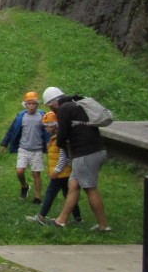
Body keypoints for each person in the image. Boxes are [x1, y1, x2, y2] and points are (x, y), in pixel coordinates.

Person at [43, 86, 111, 231]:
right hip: (96, 150)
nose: (52, 110)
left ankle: (104, 226)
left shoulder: (64, 109)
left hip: (85, 154)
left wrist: (58, 143)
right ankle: (61, 221)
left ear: (54, 102)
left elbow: (62, 135)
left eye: (50, 106)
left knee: (90, 188)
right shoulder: (76, 104)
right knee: (73, 185)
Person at [27, 110, 83, 225]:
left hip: (60, 173)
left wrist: (56, 171)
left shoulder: (60, 139)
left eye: (47, 126)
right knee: (69, 195)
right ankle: (78, 218)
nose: (46, 129)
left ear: (54, 126)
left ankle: (41, 217)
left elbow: (64, 158)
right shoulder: (55, 138)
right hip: (65, 173)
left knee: (50, 194)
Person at [0, 91, 47, 203]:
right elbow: (11, 130)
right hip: (23, 149)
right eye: (29, 104)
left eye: (34, 104)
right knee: (20, 171)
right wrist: (4, 143)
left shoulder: (42, 116)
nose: (31, 106)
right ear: (25, 105)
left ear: (37, 104)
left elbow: (49, 131)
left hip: (37, 150)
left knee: (36, 173)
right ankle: (24, 186)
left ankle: (38, 197)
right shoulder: (21, 116)